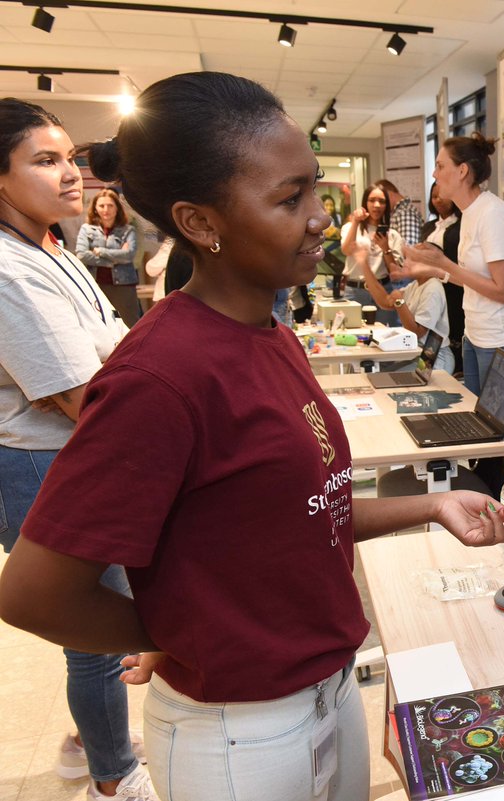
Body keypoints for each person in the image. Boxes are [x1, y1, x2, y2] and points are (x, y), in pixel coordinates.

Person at [0, 72, 504, 801]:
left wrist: (429, 507)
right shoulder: (161, 376)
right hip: (237, 733)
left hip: (328, 688)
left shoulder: (269, 334)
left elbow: (302, 512)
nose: (319, 218)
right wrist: (181, 630)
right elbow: (33, 593)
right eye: (289, 199)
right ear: (199, 222)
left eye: (314, 189)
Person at [0, 98, 154, 801]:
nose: (72, 176)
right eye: (45, 160)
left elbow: (108, 356)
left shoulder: (51, 245)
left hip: (69, 447)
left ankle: (89, 741)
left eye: (70, 159)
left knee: (95, 628)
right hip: (45, 458)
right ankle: (112, 775)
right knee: (94, 628)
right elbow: (84, 397)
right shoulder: (8, 267)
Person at [402, 132, 504, 394]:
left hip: (500, 339)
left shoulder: (492, 215)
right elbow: (473, 279)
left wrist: (444, 264)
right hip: (475, 334)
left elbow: (501, 291)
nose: (435, 175)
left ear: (462, 171)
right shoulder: (470, 213)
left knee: (496, 429)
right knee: (477, 421)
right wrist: (432, 269)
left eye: (440, 166)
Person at [357, 257, 455, 373]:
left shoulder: (432, 289)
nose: (406, 263)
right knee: (380, 371)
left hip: (434, 357)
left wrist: (399, 302)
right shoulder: (415, 285)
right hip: (416, 353)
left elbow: (417, 332)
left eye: (411, 258)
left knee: (386, 377)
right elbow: (386, 302)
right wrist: (363, 264)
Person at [340, 179, 404, 326]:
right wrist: (356, 221)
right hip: (354, 290)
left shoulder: (392, 235)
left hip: (383, 290)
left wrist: (385, 248)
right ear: (365, 203)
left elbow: (395, 272)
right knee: (353, 333)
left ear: (387, 206)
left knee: (384, 334)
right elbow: (347, 250)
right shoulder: (350, 227)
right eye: (372, 200)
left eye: (382, 201)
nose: (377, 205)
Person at [75, 187, 140, 324]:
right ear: (95, 208)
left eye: (110, 205)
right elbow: (81, 254)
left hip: (123, 286)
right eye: (102, 205)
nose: (106, 209)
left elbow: (129, 255)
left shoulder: (128, 230)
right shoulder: (86, 229)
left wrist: (100, 251)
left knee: (129, 324)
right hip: (95, 284)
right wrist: (112, 260)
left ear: (117, 208)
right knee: (99, 324)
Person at [418, 182, 464, 373]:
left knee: (453, 331)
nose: (437, 200)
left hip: (454, 289)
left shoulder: (461, 226)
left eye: (442, 195)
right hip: (431, 288)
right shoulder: (429, 226)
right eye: (434, 196)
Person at [378, 178, 422, 250]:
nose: (380, 205)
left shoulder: (405, 213)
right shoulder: (398, 213)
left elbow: (409, 249)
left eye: (381, 200)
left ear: (388, 194)